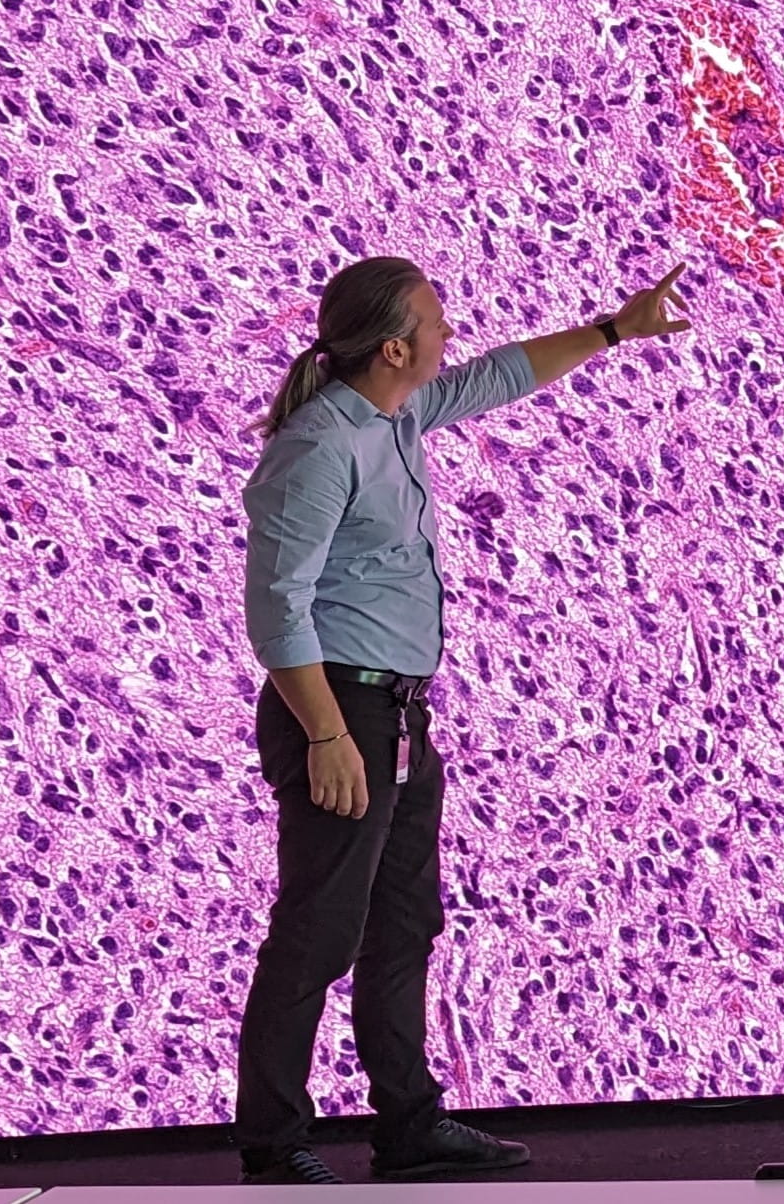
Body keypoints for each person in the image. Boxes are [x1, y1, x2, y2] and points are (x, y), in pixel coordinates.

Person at [232, 255, 690, 1185]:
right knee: (319, 931)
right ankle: (272, 1146)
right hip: (341, 713)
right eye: (434, 322)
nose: (450, 335)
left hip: (398, 714)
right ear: (394, 347)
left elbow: (502, 375)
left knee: (403, 926)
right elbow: (277, 610)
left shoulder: (397, 418)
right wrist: (327, 735)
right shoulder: (321, 447)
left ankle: (408, 1127)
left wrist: (615, 329)